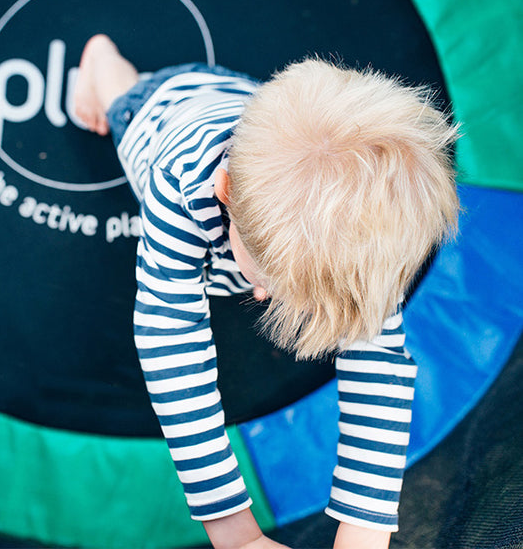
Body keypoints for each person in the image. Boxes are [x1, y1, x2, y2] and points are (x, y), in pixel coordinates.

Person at [73, 35, 460, 549]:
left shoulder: (367, 239)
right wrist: (234, 531)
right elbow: (171, 341)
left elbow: (379, 365)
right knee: (114, 98)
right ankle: (104, 61)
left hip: (251, 105)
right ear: (226, 192)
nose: (264, 295)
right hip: (160, 110)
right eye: (266, 279)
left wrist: (364, 532)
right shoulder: (179, 186)